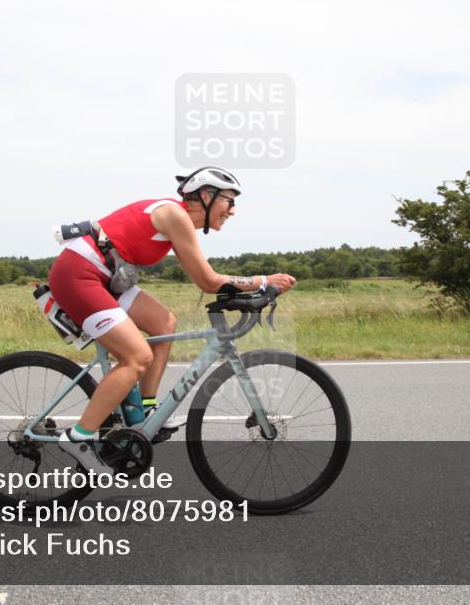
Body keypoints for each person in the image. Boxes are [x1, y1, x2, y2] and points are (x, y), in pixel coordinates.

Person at [47, 166, 296, 473]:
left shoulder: (177, 220)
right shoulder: (175, 215)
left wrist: (254, 289)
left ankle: (144, 414)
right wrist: (263, 280)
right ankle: (78, 437)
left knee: (164, 323)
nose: (232, 210)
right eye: (229, 201)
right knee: (137, 356)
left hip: (104, 276)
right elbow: (208, 281)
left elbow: (206, 280)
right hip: (79, 274)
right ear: (207, 196)